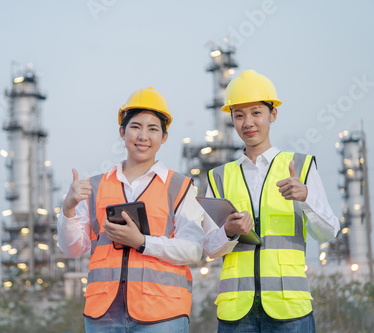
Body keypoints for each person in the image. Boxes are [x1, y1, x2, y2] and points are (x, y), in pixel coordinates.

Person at [57, 87, 232, 332]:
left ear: (164, 137)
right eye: (136, 126)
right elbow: (71, 248)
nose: (143, 136)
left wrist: (142, 242)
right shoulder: (95, 186)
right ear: (122, 131)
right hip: (103, 315)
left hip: (162, 315)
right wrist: (67, 209)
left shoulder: (179, 187)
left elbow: (193, 249)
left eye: (153, 129)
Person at [203, 70, 340, 332]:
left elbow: (328, 232)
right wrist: (229, 232)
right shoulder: (219, 177)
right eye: (239, 115)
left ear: (272, 114)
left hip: (289, 309)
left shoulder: (300, 166)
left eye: (256, 113)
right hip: (236, 312)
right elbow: (209, 249)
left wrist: (306, 198)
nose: (248, 123)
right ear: (231, 119)